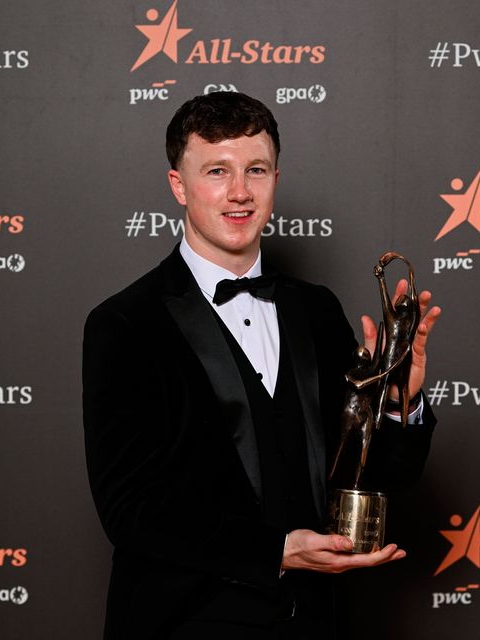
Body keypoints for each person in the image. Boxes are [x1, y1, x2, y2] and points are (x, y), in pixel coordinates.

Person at [83, 92, 441, 639]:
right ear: (178, 185)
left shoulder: (316, 309)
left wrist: (399, 404)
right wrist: (276, 550)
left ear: (277, 177)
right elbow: (130, 512)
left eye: (255, 169)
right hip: (182, 626)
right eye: (216, 171)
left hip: (312, 623)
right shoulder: (125, 324)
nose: (239, 193)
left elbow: (371, 478)